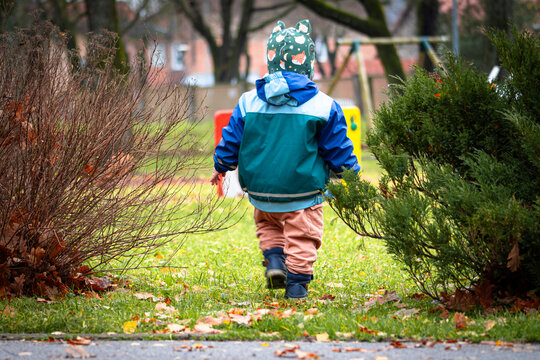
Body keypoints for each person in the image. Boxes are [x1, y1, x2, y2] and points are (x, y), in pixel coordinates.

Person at [210, 19, 360, 299]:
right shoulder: (323, 105)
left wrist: (221, 166)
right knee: (303, 235)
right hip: (303, 190)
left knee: (268, 225)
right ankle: (296, 285)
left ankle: (276, 262)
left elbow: (231, 140)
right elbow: (337, 148)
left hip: (260, 190)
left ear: (270, 60)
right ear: (309, 63)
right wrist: (350, 173)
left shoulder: (248, 101)